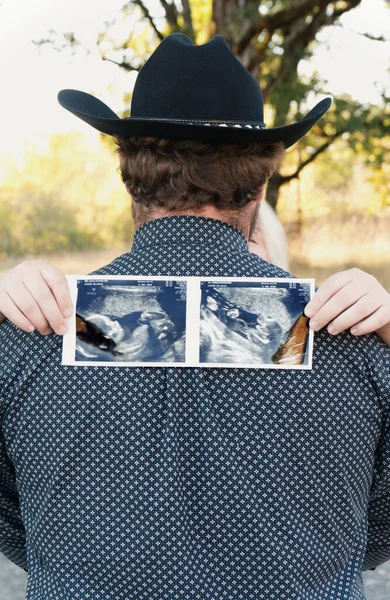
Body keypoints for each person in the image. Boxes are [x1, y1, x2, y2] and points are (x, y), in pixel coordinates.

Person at [0, 33, 389, 600]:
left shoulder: (31, 335)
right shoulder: (354, 341)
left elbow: (21, 530)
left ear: (130, 180)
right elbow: (372, 531)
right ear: (259, 188)